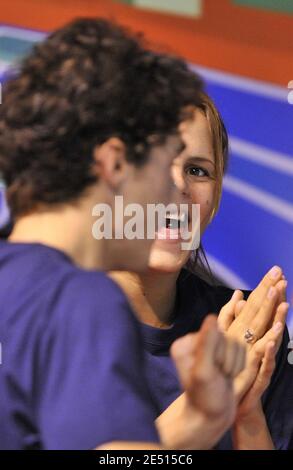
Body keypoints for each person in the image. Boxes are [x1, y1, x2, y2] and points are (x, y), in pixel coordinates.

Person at [0, 18, 246, 450]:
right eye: (162, 163)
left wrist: (203, 422)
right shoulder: (81, 298)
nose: (175, 192)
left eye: (193, 170)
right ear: (115, 164)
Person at [110, 92, 293, 450]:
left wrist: (246, 412)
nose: (178, 184)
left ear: (215, 199)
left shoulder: (250, 330)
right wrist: (200, 411)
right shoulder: (36, 322)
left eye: (198, 170)